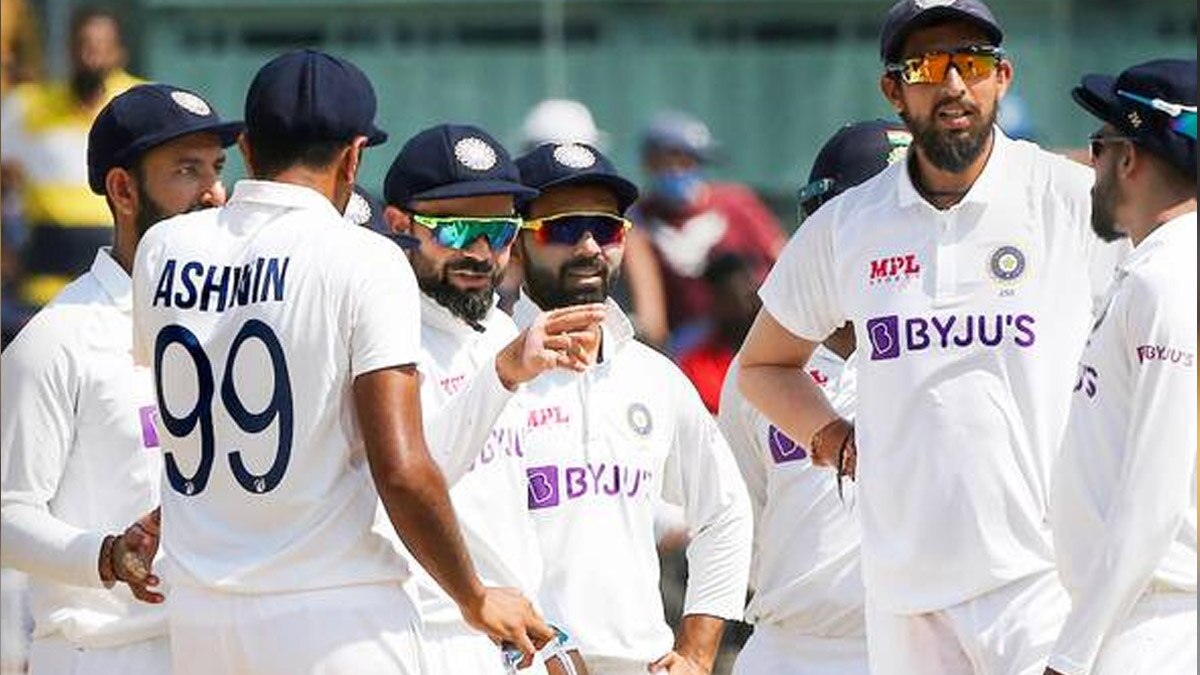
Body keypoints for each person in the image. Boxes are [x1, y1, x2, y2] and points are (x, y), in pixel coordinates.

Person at [128, 49, 553, 675]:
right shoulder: (364, 258)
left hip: (201, 614)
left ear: (246, 148)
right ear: (354, 157)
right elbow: (402, 469)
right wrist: (473, 596)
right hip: (335, 616)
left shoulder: (162, 247)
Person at [737, 1, 1121, 672]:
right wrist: (835, 439)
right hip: (903, 597)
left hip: (1040, 581)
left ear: (1003, 77)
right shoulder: (849, 224)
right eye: (927, 65)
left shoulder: (1068, 198)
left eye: (970, 62)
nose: (952, 84)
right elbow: (763, 365)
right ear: (893, 89)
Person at [0, 82, 241, 674]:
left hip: (220, 648)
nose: (213, 193)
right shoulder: (59, 338)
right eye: (186, 170)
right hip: (104, 655)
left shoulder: (237, 327)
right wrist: (106, 556)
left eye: (216, 168)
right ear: (123, 190)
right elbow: (7, 514)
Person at [512, 141, 753, 675]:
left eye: (607, 229)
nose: (590, 247)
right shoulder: (486, 372)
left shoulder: (653, 376)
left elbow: (727, 510)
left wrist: (697, 652)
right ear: (515, 243)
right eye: (564, 229)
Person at [381, 122, 602, 675]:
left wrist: (552, 632)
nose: (481, 253)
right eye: (457, 230)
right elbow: (407, 484)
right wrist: (501, 376)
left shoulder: (503, 333)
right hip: (422, 634)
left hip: (510, 637)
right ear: (399, 225)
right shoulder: (383, 338)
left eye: (500, 232)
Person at [718, 119, 911, 675]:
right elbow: (740, 516)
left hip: (918, 646)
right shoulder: (757, 370)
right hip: (788, 647)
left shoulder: (945, 350)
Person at [1045, 59, 1197, 675]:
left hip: (1156, 626)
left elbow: (1155, 501)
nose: (1092, 166)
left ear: (1129, 157)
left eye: (1098, 146)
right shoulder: (1161, 272)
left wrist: (1071, 656)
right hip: (1144, 617)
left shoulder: (1168, 281)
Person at [0, 6, 141, 310]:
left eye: (101, 47)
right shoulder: (27, 107)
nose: (91, 57)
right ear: (69, 50)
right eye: (83, 45)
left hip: (121, 282)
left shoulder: (142, 104)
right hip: (45, 281)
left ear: (119, 54)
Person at [631, 110, 785, 350]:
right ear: (650, 162)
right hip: (688, 344)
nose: (680, 170)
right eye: (672, 160)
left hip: (757, 332)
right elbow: (650, 310)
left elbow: (783, 259)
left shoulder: (736, 203)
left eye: (690, 161)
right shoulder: (640, 219)